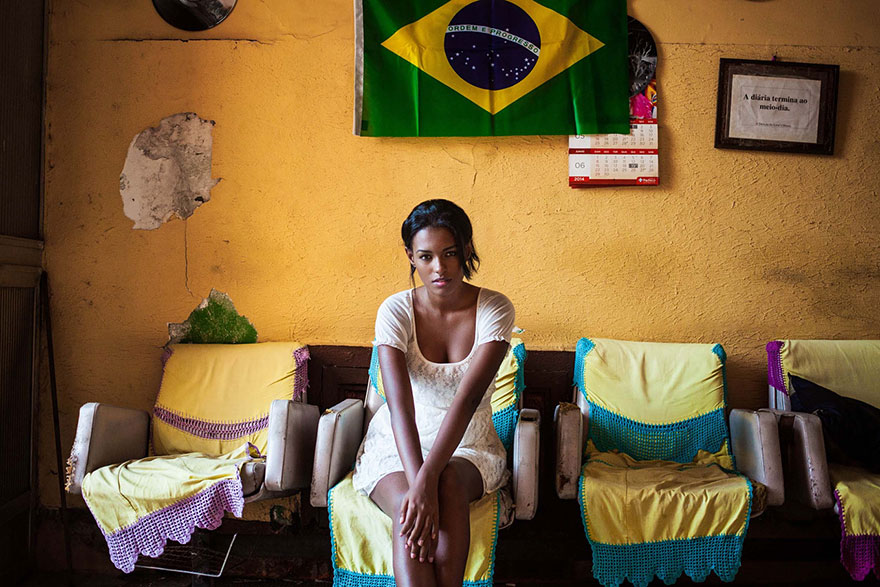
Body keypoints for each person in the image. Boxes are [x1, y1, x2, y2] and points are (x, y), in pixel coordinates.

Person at [351, 199, 515, 587]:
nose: (439, 268)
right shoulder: (395, 311)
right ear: (410, 255)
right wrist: (417, 483)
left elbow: (466, 402)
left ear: (467, 251)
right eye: (425, 256)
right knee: (410, 510)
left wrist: (428, 481)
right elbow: (399, 407)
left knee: (448, 485)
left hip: (468, 443)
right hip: (398, 443)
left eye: (450, 254)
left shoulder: (495, 308)